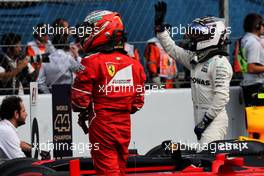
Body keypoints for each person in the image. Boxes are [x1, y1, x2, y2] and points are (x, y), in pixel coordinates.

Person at [71, 10, 146, 175]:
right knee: (120, 169)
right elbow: (137, 104)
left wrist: (88, 108)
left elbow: (78, 102)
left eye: (89, 30)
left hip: (102, 125)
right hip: (124, 126)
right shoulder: (135, 64)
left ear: (102, 30)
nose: (85, 34)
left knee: (107, 171)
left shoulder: (90, 62)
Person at [154, 1, 233, 145]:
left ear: (211, 37)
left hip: (214, 120)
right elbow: (173, 50)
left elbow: (221, 97)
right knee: (203, 159)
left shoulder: (220, 63)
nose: (193, 37)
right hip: (200, 116)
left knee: (205, 157)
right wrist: (160, 30)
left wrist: (205, 121)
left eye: (198, 34)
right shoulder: (195, 58)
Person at [37, 18, 80, 93]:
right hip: (58, 84)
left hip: (73, 86)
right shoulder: (51, 46)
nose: (69, 30)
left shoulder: (71, 45)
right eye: (67, 28)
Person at [240, 13, 264, 107]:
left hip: (250, 85)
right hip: (256, 86)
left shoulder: (246, 39)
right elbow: (251, 68)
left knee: (253, 118)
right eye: (262, 24)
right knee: (258, 118)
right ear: (257, 26)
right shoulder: (253, 43)